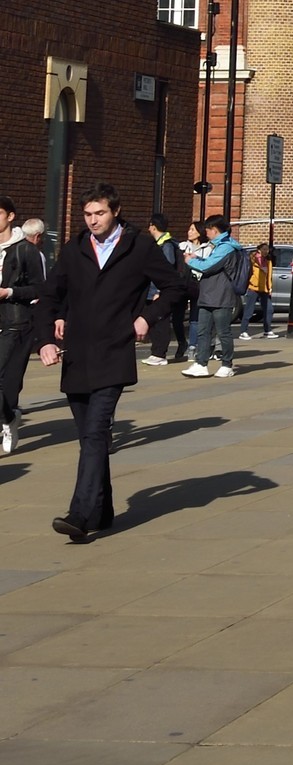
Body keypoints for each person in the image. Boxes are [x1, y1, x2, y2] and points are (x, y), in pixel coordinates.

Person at [34, 185, 186, 541]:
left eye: (99, 213)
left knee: (96, 432)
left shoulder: (140, 247)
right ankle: (102, 510)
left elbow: (177, 287)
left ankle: (79, 513)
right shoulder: (74, 250)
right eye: (87, 215)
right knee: (90, 437)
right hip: (76, 355)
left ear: (115, 211)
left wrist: (147, 317)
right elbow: (48, 295)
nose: (93, 221)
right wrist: (44, 338)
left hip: (114, 353)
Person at [0, 198, 46, 454]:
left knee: (7, 381)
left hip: (15, 322)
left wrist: (9, 292)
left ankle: (8, 420)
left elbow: (40, 288)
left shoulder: (25, 250)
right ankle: (9, 417)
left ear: (10, 217)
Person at [183, 215, 246, 377]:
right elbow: (212, 264)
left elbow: (209, 266)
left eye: (208, 230)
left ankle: (227, 364)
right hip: (209, 294)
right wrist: (199, 258)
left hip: (221, 295)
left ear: (215, 230)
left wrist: (190, 261)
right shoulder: (219, 246)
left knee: (222, 331)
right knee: (203, 331)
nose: (206, 233)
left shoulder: (226, 247)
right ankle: (201, 363)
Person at [141, 214, 191, 366]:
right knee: (154, 320)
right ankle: (156, 352)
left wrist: (158, 291)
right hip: (154, 290)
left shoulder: (166, 245)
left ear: (153, 226)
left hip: (160, 291)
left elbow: (164, 270)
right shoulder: (160, 243)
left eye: (149, 225)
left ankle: (159, 353)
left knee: (161, 321)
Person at [238, 237, 275, 341]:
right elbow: (248, 273)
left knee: (269, 309)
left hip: (264, 289)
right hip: (253, 288)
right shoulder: (253, 260)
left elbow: (269, 276)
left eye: (267, 249)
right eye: (264, 249)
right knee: (249, 311)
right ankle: (243, 331)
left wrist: (270, 287)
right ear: (259, 250)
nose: (266, 251)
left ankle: (267, 331)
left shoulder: (268, 262)